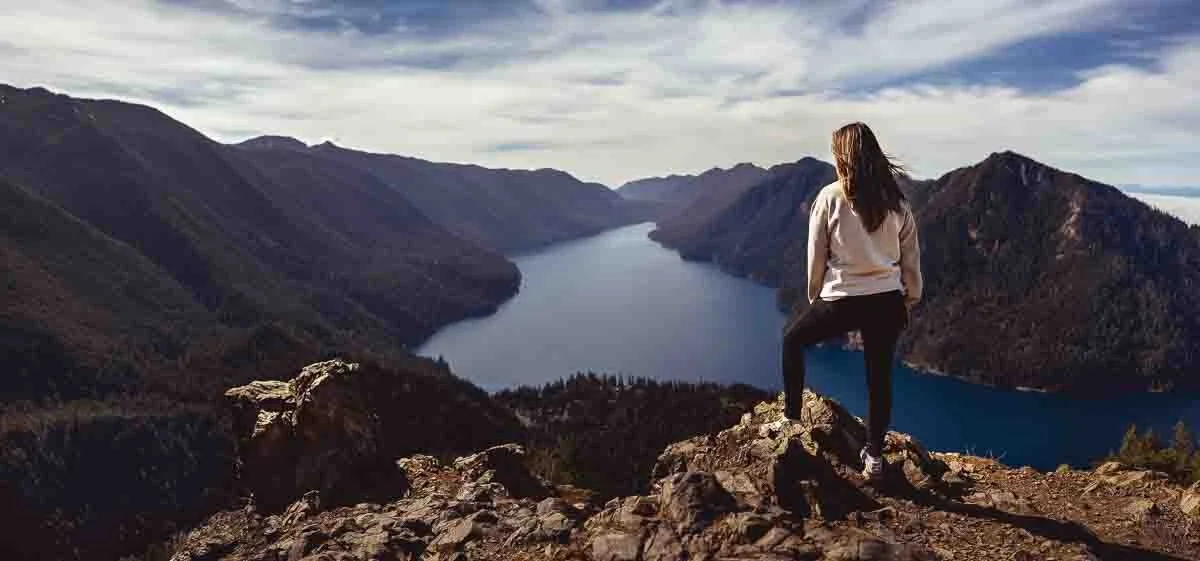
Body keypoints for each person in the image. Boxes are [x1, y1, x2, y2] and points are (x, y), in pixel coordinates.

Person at [779, 122, 922, 481]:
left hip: (842, 298)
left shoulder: (830, 197)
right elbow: (911, 259)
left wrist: (816, 296)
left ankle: (792, 419)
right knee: (879, 379)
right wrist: (910, 298)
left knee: (792, 340)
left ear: (842, 156)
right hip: (887, 301)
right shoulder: (897, 201)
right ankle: (874, 458)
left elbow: (816, 254)